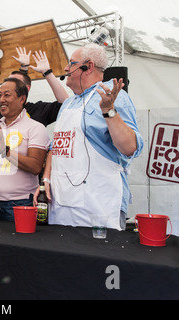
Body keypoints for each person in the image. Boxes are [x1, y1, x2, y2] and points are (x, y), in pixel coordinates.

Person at [34, 43, 144, 231]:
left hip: (98, 207)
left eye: (71, 63)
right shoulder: (68, 103)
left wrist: (109, 111)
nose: (66, 68)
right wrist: (46, 181)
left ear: (88, 66)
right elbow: (56, 148)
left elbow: (130, 148)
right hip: (61, 205)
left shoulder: (113, 96)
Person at [0, 78, 50, 221]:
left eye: (7, 95)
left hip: (21, 203)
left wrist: (5, 151)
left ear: (22, 98)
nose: (1, 100)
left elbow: (35, 166)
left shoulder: (35, 127)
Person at [0, 47, 69, 126]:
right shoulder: (1, 115)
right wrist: (24, 68)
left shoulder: (38, 110)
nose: (8, 85)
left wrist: (47, 72)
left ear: (27, 89)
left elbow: (66, 104)